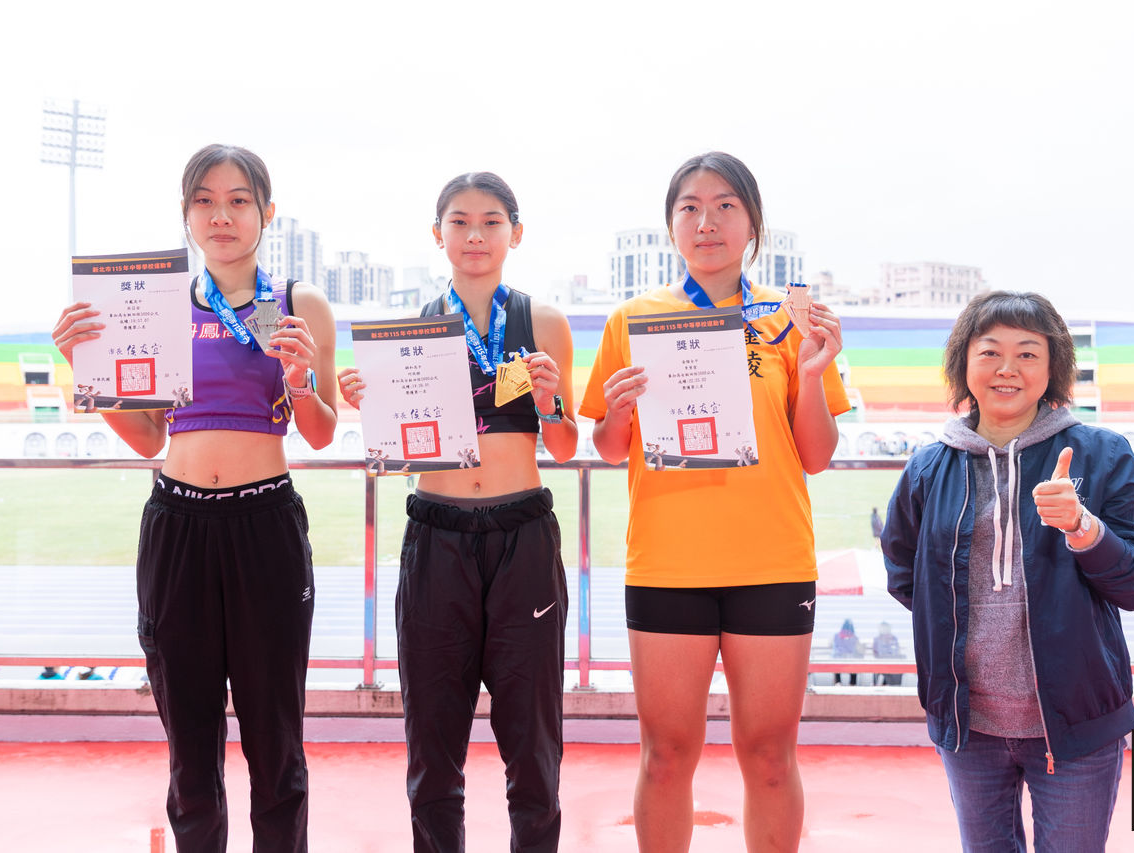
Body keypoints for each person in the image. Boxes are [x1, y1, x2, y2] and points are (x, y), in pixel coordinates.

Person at [52, 143, 338, 852]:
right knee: (190, 748)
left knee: (276, 741)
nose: (221, 216)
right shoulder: (160, 307)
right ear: (186, 214)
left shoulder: (296, 304)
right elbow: (148, 436)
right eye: (205, 201)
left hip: (265, 524)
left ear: (267, 213)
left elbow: (321, 431)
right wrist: (89, 369)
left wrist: (300, 380)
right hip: (178, 525)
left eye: (239, 200)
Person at [581, 152, 850, 852]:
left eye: (726, 205)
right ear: (671, 225)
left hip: (772, 561)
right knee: (666, 756)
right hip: (668, 564)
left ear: (753, 224)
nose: (708, 222)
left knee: (770, 757)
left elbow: (816, 455)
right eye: (690, 207)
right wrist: (617, 412)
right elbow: (608, 447)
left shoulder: (790, 320)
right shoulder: (633, 319)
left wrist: (813, 374)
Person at [338, 172, 577, 852]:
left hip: (521, 532)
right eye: (460, 222)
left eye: (492, 221)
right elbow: (393, 451)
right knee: (433, 744)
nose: (476, 235)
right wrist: (367, 404)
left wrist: (552, 402)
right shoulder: (407, 332)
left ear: (515, 233)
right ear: (437, 233)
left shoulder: (542, 322)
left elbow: (565, 444)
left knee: (533, 744)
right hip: (437, 533)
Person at [881, 290, 1134, 852]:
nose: (1007, 369)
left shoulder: (1103, 455)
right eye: (990, 352)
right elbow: (905, 574)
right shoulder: (929, 466)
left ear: (1053, 367)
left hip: (1077, 722)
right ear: (964, 363)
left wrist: (1083, 528)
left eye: (1028, 354)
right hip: (967, 725)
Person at [831, 617, 862, 685]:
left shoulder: (836, 636)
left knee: (837, 667)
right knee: (853, 668)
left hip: (840, 660)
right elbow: (859, 649)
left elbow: (830, 645)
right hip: (848, 660)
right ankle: (852, 684)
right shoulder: (854, 637)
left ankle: (838, 683)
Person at [871, 621, 903, 686]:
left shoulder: (894, 638)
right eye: (883, 628)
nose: (884, 630)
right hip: (880, 661)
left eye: (886, 628)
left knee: (896, 668)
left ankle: (888, 684)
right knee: (882, 667)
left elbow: (896, 650)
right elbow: (875, 652)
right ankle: (882, 684)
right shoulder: (877, 639)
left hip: (891, 661)